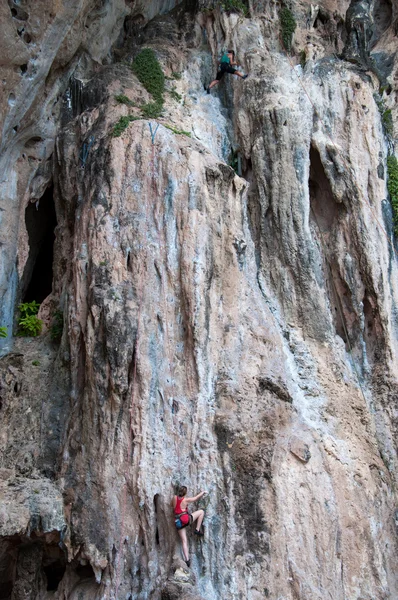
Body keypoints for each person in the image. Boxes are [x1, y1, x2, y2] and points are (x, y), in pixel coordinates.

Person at [172, 485, 207, 567]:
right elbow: (195, 498)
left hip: (178, 522)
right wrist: (203, 492)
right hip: (185, 519)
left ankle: (187, 560)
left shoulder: (174, 498)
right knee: (201, 512)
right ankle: (197, 529)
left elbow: (172, 505)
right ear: (185, 493)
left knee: (184, 541)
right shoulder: (185, 500)